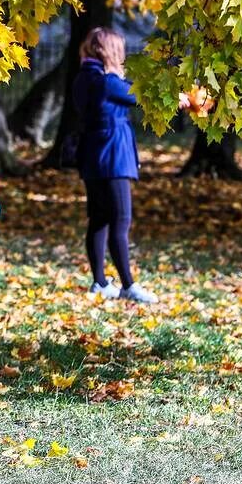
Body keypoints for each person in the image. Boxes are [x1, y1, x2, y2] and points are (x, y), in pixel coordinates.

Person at [72, 27, 188, 303]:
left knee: (99, 219)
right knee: (121, 219)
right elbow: (144, 97)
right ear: (111, 51)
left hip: (92, 157)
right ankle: (128, 285)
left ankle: (100, 282)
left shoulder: (83, 78)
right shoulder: (106, 81)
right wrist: (179, 99)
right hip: (113, 157)